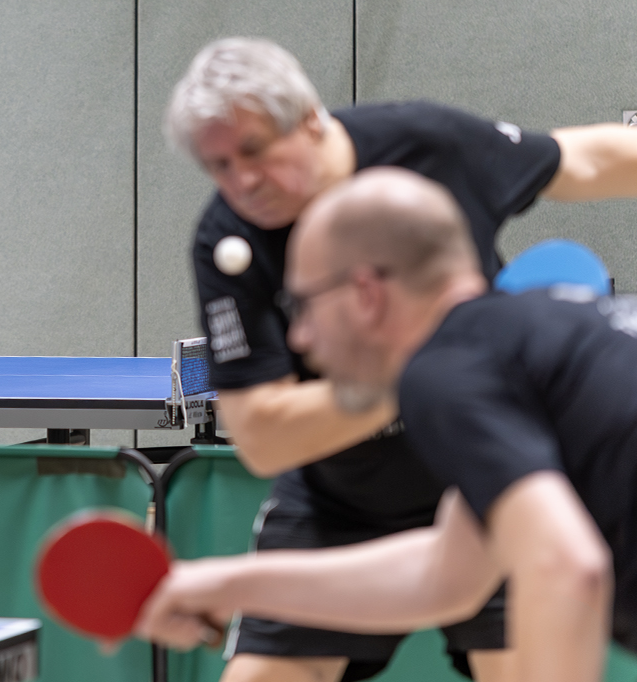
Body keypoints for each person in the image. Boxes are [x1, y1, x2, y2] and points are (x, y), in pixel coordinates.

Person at [166, 36, 637, 682]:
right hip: (346, 492)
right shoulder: (517, 350)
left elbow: (570, 568)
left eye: (306, 306)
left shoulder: (427, 149)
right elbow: (441, 576)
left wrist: (422, 377)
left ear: (368, 290)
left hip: (475, 458)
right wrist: (218, 583)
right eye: (217, 164)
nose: (299, 338)